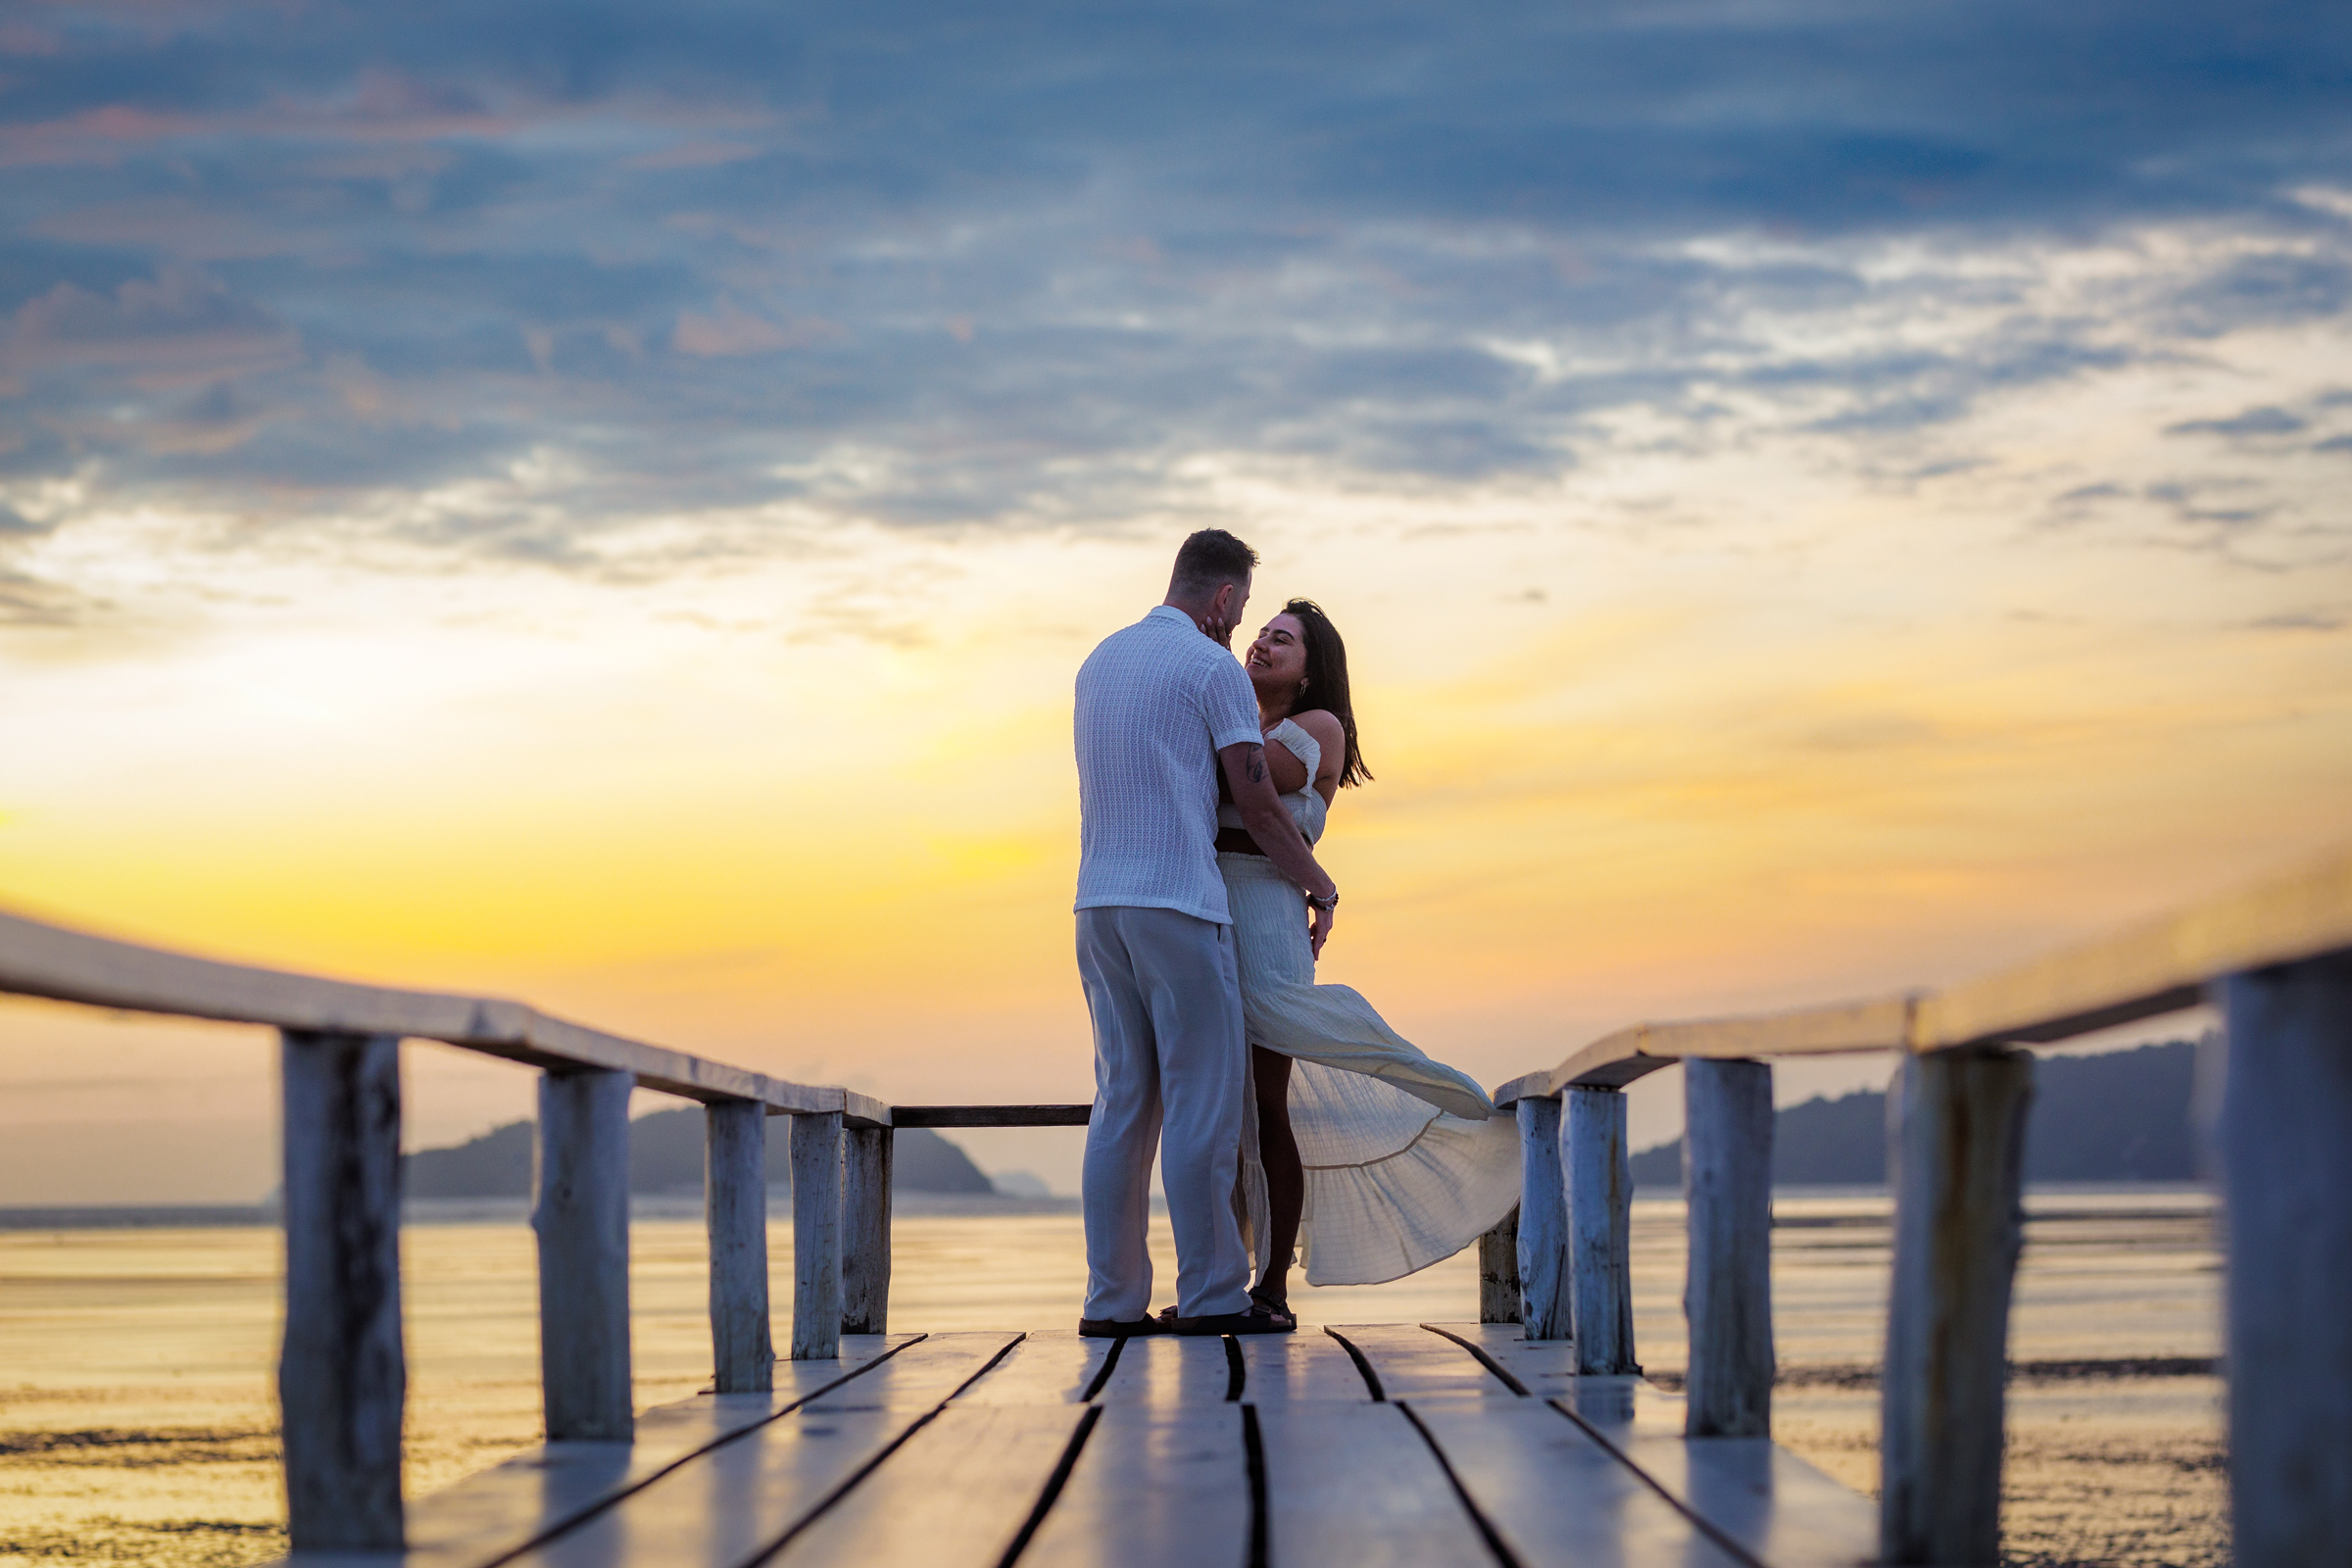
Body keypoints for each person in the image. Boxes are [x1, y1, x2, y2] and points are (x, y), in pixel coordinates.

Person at [1216, 600, 1519, 1330]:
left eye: (1280, 640)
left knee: (1266, 1107)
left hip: (1264, 920)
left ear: (1312, 666)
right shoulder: (1232, 721)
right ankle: (1222, 1281)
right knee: (1220, 1119)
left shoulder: (1317, 728)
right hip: (1207, 912)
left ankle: (1273, 1292)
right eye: (1260, 634)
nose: (1261, 644)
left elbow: (1244, 786)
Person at [1071, 530, 1341, 1338]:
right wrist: (1320, 886)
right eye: (1246, 610)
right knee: (1203, 1103)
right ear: (1224, 599)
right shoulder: (1210, 667)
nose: (1243, 628)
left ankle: (1110, 1303)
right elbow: (1257, 805)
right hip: (1180, 904)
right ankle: (1217, 1292)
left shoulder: (1100, 661)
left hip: (1096, 904)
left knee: (1122, 1103)